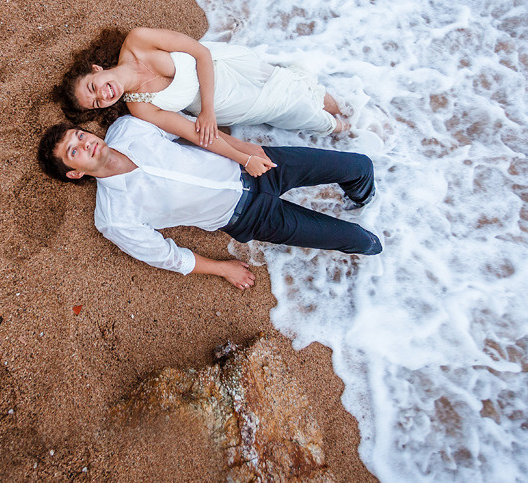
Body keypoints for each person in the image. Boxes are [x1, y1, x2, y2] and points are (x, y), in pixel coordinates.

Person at [37, 115, 381, 290]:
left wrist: (246, 152)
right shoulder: (113, 216)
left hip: (257, 166)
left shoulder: (129, 129)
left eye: (79, 135)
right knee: (357, 239)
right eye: (74, 151)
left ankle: (365, 200)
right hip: (250, 218)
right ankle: (385, 260)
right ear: (74, 173)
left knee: (360, 166)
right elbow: (167, 256)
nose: (85, 144)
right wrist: (223, 268)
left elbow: (193, 130)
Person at [54, 27, 350, 178]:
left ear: (96, 69)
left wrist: (207, 111)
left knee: (292, 84)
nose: (103, 95)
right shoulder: (139, 106)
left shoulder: (138, 40)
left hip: (225, 64)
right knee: (300, 110)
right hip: (231, 102)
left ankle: (353, 110)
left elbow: (200, 53)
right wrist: (243, 158)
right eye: (95, 104)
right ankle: (345, 129)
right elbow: (197, 133)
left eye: (93, 87)